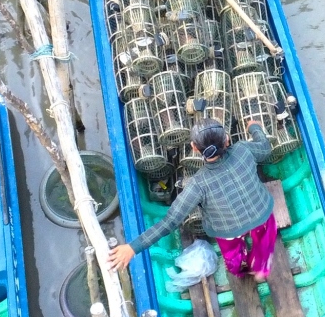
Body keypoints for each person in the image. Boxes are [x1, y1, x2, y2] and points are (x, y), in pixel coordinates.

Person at [108, 118, 278, 281]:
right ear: (227, 140)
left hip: (227, 231)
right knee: (264, 238)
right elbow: (265, 148)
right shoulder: (243, 149)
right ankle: (261, 268)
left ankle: (239, 270)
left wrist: (132, 247)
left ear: (194, 148)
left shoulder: (198, 184)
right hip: (262, 213)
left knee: (233, 253)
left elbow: (170, 221)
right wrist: (254, 128)